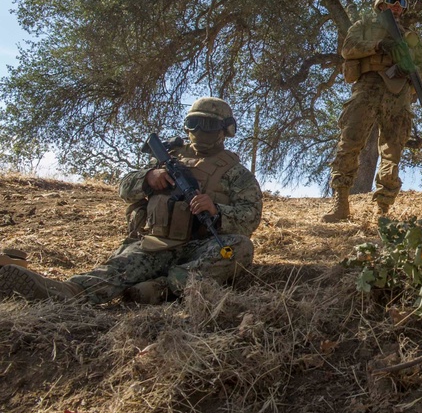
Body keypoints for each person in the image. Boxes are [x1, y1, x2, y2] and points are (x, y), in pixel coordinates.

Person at [0, 97, 263, 304]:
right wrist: (148, 177)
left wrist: (216, 210)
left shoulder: (236, 173)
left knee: (239, 247)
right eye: (194, 124)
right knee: (115, 271)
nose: (199, 132)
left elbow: (250, 218)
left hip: (200, 247)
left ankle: (164, 288)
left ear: (225, 130)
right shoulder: (167, 159)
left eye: (208, 125)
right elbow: (125, 189)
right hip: (156, 244)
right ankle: (62, 291)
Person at [324, 0, 422, 221]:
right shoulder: (363, 26)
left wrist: (409, 68)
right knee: (350, 142)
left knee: (393, 150)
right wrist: (378, 46)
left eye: (401, 3)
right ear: (381, 3)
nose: (396, 6)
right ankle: (341, 202)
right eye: (392, 0)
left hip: (398, 94)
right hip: (368, 87)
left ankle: (382, 208)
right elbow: (348, 49)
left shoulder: (411, 38)